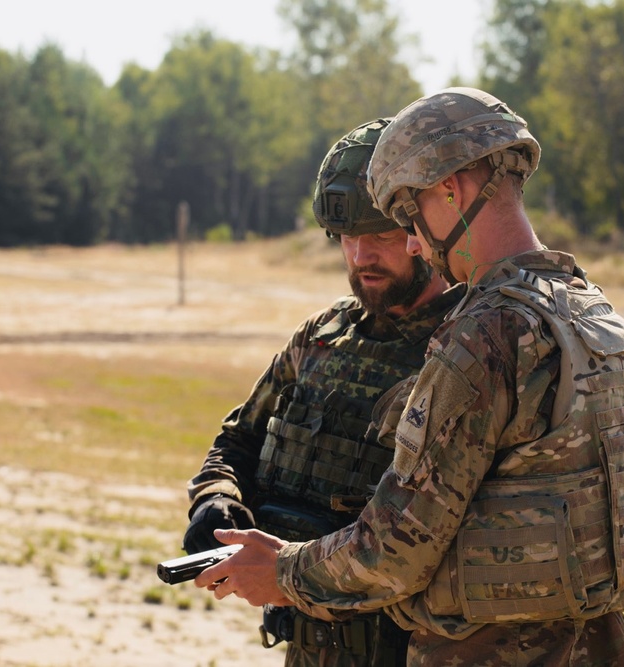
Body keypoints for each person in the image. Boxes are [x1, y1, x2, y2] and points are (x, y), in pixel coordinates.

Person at [195, 88, 624, 666]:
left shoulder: (486, 333)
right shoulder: (588, 310)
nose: (412, 240)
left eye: (407, 215)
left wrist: (280, 572)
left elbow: (393, 552)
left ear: (449, 189)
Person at [182, 117, 465, 666]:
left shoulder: (466, 347)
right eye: (348, 239)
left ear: (420, 233)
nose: (361, 257)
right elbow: (238, 439)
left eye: (380, 237)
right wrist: (218, 499)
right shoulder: (321, 337)